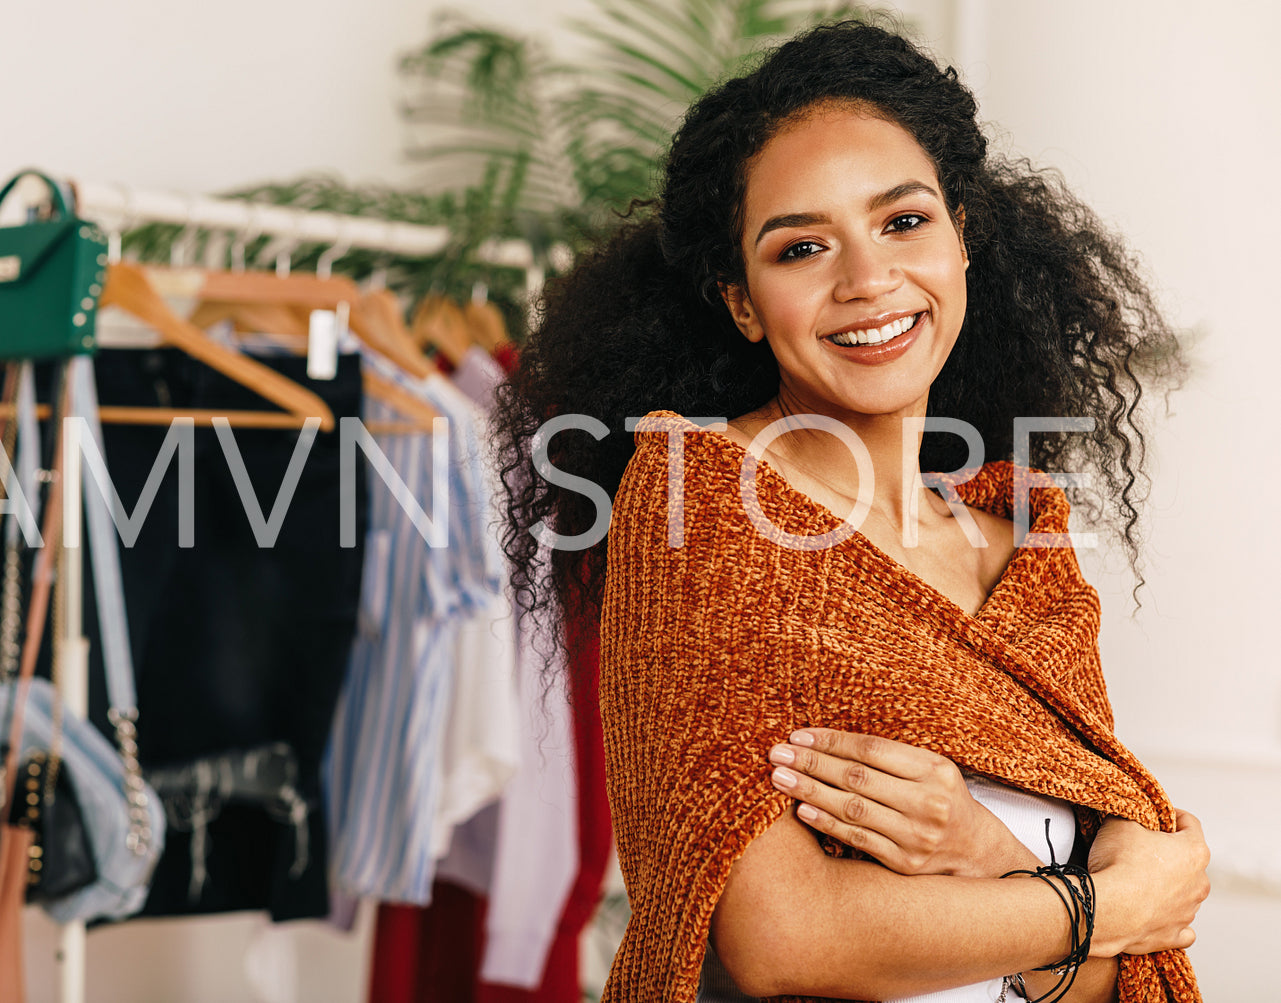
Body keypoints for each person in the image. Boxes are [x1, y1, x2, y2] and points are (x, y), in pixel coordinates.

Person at [494, 18, 1210, 1003]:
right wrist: (1105, 904)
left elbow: (1097, 984)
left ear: (961, 236)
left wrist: (986, 852)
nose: (866, 278)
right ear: (742, 302)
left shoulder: (1027, 544)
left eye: (902, 222)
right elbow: (781, 938)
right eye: (798, 248)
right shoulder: (700, 499)